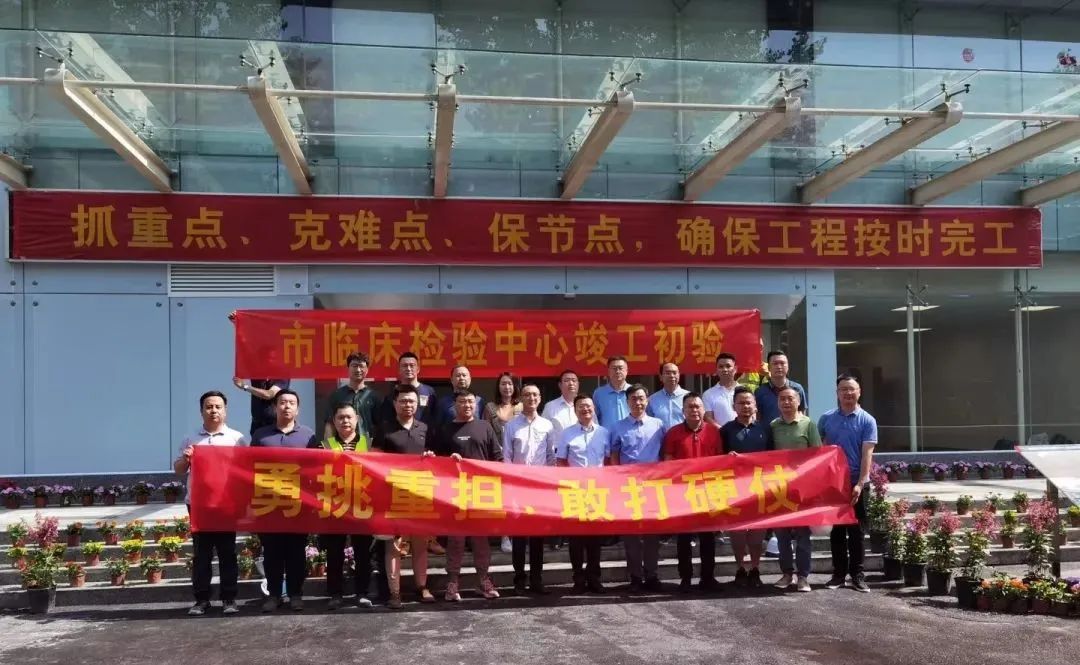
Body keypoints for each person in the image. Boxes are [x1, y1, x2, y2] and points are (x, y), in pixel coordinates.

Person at [174, 390, 247, 616]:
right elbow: (178, 470)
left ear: (225, 411)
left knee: (227, 553)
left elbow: (245, 470)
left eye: (218, 407)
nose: (213, 410)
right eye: (209, 407)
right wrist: (186, 458)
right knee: (202, 555)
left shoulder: (236, 438)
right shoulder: (191, 438)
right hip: (199, 505)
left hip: (226, 504)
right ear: (201, 411)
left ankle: (229, 599)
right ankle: (201, 600)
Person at [428, 389, 503, 601]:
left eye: (471, 401)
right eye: (462, 402)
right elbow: (436, 462)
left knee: (481, 540)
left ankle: (484, 581)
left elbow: (497, 458)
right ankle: (452, 583)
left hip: (481, 492)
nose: (467, 405)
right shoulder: (445, 429)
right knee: (456, 540)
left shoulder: (485, 426)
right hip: (455, 493)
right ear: (455, 405)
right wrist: (448, 461)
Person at [250, 390, 318, 612]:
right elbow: (248, 467)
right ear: (274, 407)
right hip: (269, 503)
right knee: (272, 553)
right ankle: (274, 595)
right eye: (282, 402)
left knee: (296, 552)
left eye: (291, 403)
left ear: (297, 409)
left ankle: (296, 594)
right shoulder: (261, 435)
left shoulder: (308, 436)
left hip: (298, 504)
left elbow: (315, 469)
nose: (286, 406)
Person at [373, 384, 437, 609]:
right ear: (395, 404)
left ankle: (422, 586)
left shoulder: (425, 428)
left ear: (418, 404)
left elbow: (437, 459)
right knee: (394, 547)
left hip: (420, 492)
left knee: (420, 543)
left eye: (411, 401)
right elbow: (374, 459)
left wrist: (430, 456)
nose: (407, 405)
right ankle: (395, 592)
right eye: (403, 401)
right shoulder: (384, 428)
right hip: (393, 494)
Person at [311, 403, 375, 610]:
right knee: (334, 553)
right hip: (334, 506)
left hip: (362, 506)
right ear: (334, 422)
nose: (345, 421)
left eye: (349, 417)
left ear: (357, 419)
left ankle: (362, 593)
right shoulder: (324, 446)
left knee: (362, 553)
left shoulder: (369, 443)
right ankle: (335, 594)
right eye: (340, 418)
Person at [820, 374, 878, 593]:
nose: (847, 393)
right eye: (843, 389)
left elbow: (867, 455)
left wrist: (860, 483)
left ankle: (857, 576)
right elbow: (821, 451)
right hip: (834, 484)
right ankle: (838, 575)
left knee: (856, 532)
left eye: (852, 389)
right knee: (836, 531)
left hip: (857, 483)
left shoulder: (867, 420)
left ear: (859, 392)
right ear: (837, 393)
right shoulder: (826, 419)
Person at [661, 392, 722, 593]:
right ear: (683, 410)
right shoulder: (673, 433)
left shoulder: (714, 432)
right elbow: (668, 462)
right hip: (682, 493)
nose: (694, 410)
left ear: (703, 410)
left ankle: (707, 577)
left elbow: (720, 461)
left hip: (707, 492)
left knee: (707, 538)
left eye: (697, 406)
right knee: (684, 539)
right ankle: (685, 578)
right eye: (690, 407)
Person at [502, 383, 556, 594]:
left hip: (539, 488)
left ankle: (536, 579)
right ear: (521, 398)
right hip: (518, 486)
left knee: (537, 536)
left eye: (535, 394)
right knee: (519, 536)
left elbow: (551, 456)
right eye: (527, 395)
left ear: (540, 398)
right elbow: (507, 456)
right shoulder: (511, 426)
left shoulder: (547, 425)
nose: (531, 398)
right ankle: (519, 579)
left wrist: (550, 483)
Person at [611, 384, 665, 592]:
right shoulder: (618, 427)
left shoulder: (658, 425)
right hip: (628, 487)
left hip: (653, 486)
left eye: (641, 398)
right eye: (633, 398)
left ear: (647, 400)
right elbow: (614, 456)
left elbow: (664, 454)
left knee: (652, 534)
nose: (638, 402)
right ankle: (635, 576)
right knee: (631, 536)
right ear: (627, 402)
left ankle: (652, 575)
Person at [556, 395, 611, 593]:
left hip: (597, 492)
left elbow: (608, 460)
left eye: (588, 406)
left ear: (593, 408)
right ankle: (578, 578)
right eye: (580, 406)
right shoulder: (567, 433)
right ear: (575, 410)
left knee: (595, 539)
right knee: (576, 539)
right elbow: (561, 461)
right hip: (575, 492)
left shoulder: (603, 433)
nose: (585, 409)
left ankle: (594, 577)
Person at [720, 387, 774, 589]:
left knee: (758, 532)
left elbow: (773, 458)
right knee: (738, 532)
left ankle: (755, 568)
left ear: (755, 406)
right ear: (734, 406)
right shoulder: (725, 430)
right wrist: (727, 458)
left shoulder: (765, 429)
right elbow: (717, 459)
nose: (745, 406)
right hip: (734, 488)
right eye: (741, 403)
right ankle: (740, 568)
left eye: (748, 402)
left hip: (760, 486)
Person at [770, 385, 822, 592]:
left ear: (799, 402)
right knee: (782, 535)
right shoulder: (773, 425)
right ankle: (786, 573)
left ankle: (803, 577)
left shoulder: (808, 424)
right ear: (778, 403)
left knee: (802, 535)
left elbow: (818, 456)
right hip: (780, 488)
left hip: (802, 488)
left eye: (790, 398)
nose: (786, 402)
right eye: (782, 399)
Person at [485, 371, 523, 554]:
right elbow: (485, 431)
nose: (507, 387)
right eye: (503, 384)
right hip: (498, 459)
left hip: (519, 459)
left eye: (510, 384)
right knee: (503, 499)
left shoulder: (521, 406)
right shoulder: (490, 407)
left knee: (519, 498)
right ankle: (505, 535)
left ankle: (521, 533)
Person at [322, 351, 379, 444]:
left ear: (367, 370)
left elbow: (378, 426)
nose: (358, 370)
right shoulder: (336, 395)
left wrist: (375, 448)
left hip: (366, 447)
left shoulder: (373, 396)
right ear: (348, 368)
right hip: (341, 447)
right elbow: (330, 425)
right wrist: (329, 448)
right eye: (354, 366)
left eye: (361, 366)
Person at [377, 351, 437, 428]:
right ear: (399, 369)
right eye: (405, 366)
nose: (408, 369)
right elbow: (386, 420)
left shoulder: (429, 391)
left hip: (424, 433)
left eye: (412, 365)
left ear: (418, 369)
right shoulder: (392, 394)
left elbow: (435, 416)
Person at [754, 351, 807, 425]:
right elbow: (757, 418)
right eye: (775, 363)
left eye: (782, 363)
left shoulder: (797, 389)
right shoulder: (760, 391)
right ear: (769, 367)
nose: (779, 367)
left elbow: (802, 414)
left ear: (788, 366)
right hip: (768, 432)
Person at [646, 363, 689, 431]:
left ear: (679, 375)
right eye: (668, 373)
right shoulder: (652, 399)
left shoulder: (689, 397)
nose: (672, 376)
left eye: (674, 373)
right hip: (661, 437)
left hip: (683, 436)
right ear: (660, 377)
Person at [703, 352, 740, 428]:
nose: (724, 369)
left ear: (735, 369)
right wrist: (724, 431)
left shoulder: (744, 391)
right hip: (719, 433)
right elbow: (708, 418)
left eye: (728, 366)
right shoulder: (708, 394)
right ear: (716, 370)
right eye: (721, 367)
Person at [593, 356, 630, 430]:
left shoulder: (634, 391)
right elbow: (594, 418)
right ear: (608, 371)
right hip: (607, 435)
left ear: (626, 371)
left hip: (630, 435)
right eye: (614, 368)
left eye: (620, 368)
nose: (617, 371)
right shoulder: (599, 393)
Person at [542, 369, 580, 439]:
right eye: (567, 380)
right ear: (560, 385)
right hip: (558, 445)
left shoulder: (586, 405)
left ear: (578, 384)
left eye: (574, 380)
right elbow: (542, 431)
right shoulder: (550, 406)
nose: (571, 383)